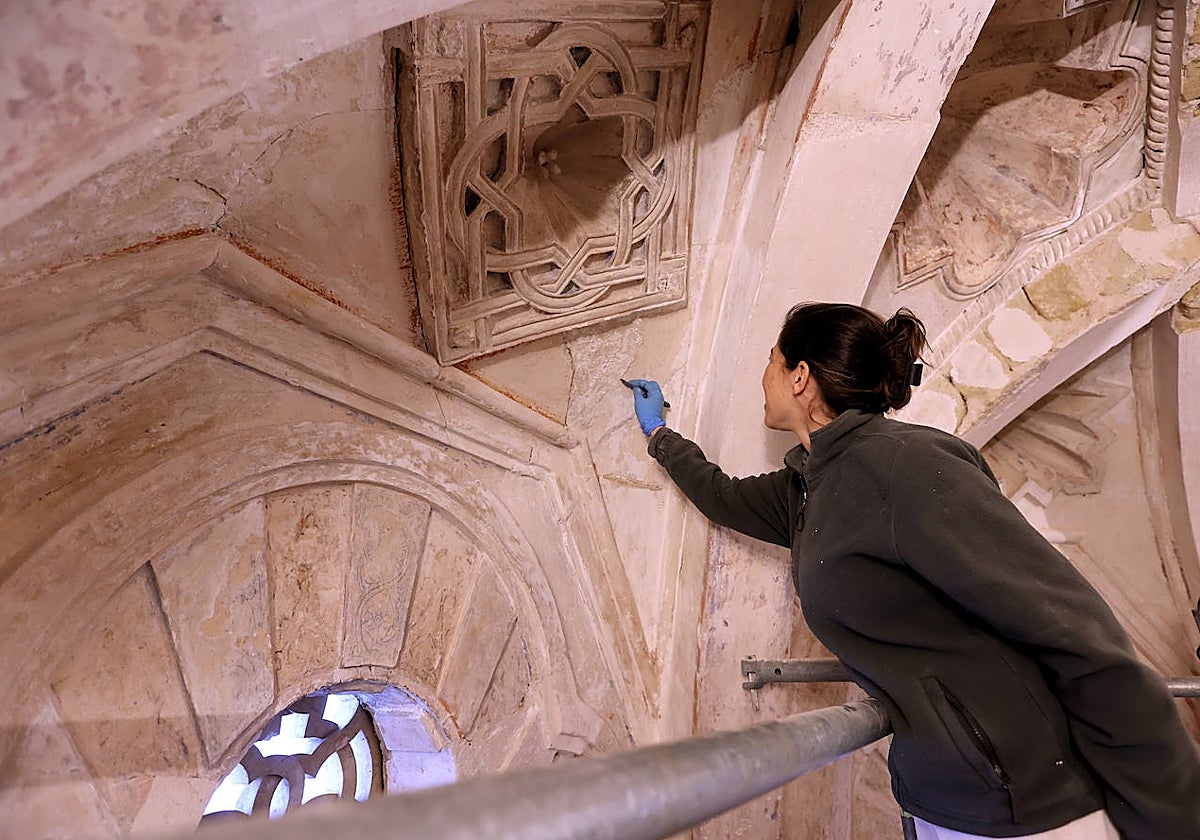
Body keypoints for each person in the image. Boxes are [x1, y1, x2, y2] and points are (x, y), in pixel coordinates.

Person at [624, 302, 1200, 840]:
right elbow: (723, 496)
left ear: (801, 377)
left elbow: (1074, 631)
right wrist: (658, 434)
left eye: (771, 363)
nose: (764, 377)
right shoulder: (808, 486)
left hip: (1033, 802)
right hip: (944, 800)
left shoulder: (905, 465)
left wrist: (1168, 819)